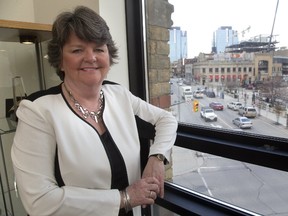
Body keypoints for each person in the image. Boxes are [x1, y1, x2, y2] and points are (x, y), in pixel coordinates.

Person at [11, 6, 177, 216]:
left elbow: (166, 119)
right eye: (77, 50)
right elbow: (40, 201)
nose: (91, 58)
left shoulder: (118, 94)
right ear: (60, 60)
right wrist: (124, 197)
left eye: (99, 49)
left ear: (108, 55)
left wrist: (157, 157)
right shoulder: (38, 111)